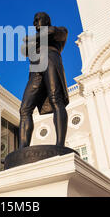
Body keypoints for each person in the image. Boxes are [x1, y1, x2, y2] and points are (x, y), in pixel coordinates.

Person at [19, 12, 69, 148]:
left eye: (37, 20)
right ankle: (22, 149)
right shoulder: (37, 39)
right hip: (35, 69)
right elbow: (24, 50)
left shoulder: (61, 30)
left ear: (47, 20)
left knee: (55, 99)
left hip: (50, 59)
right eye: (34, 21)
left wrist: (32, 38)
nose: (34, 23)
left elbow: (52, 32)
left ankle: (60, 145)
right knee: (24, 109)